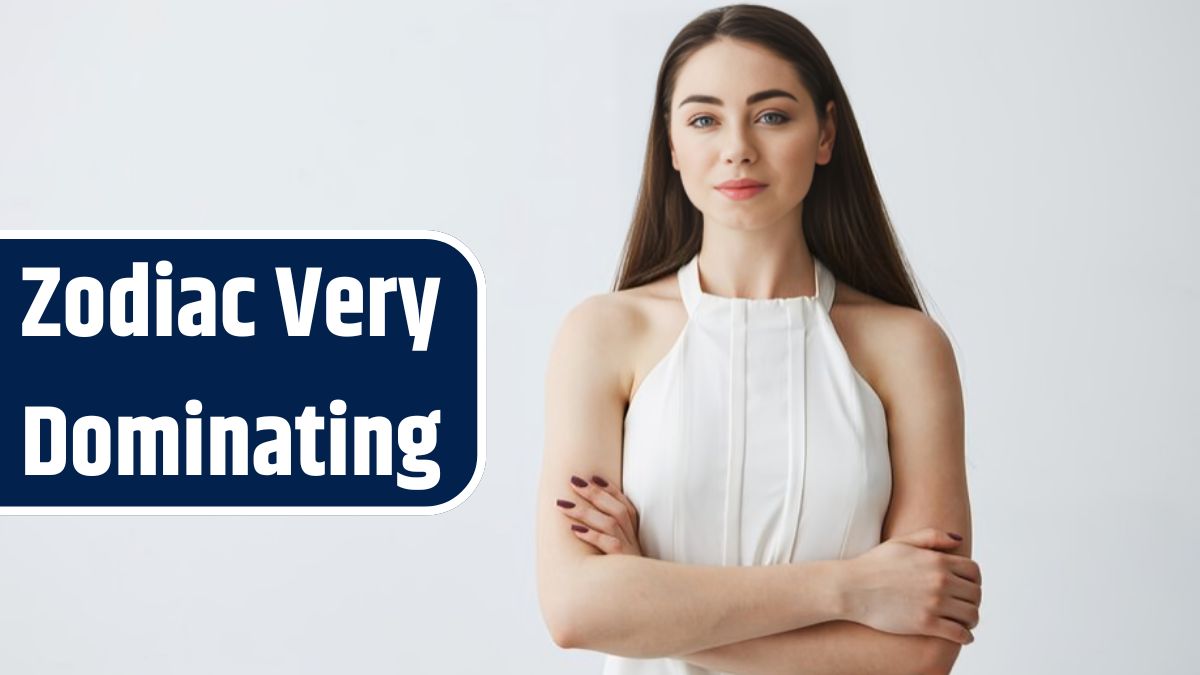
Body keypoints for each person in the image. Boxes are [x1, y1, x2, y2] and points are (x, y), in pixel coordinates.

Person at [535, 5, 982, 674]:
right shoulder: (605, 334)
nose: (738, 146)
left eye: (772, 115)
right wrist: (852, 587)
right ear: (672, 144)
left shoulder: (908, 349)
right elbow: (575, 610)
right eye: (704, 119)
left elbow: (921, 651)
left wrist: (648, 605)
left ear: (825, 133)